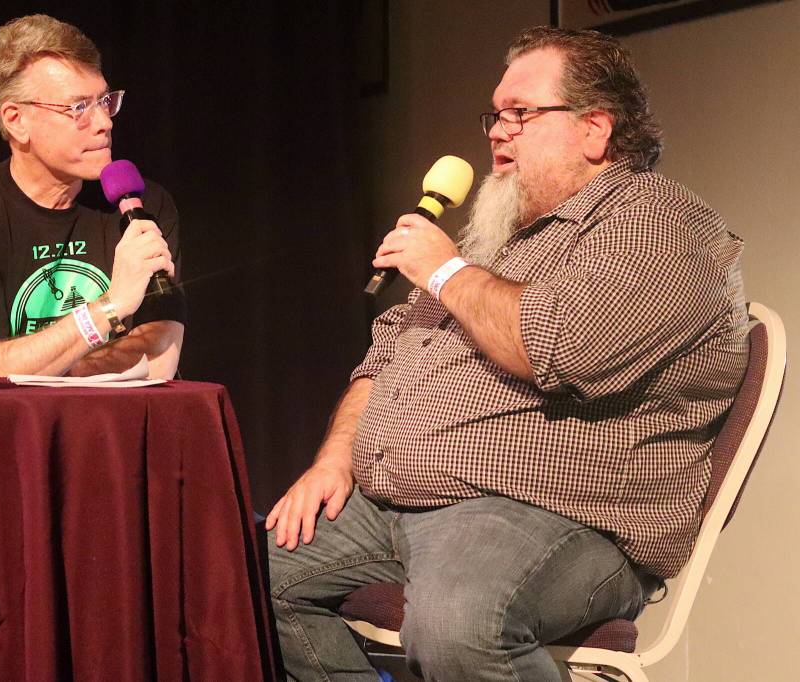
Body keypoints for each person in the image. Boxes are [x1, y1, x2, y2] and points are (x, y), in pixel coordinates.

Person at [265, 26, 748, 681]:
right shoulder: (502, 237)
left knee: (461, 625)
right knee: (240, 575)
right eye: (496, 114)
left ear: (595, 130)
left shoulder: (657, 226)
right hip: (400, 505)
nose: (497, 130)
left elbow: (561, 347)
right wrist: (333, 458)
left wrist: (444, 271)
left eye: (521, 114)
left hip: (553, 516)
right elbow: (385, 353)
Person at [0, 14, 186, 379]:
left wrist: (38, 361)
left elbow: (157, 357)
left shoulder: (143, 204)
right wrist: (109, 307)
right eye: (78, 108)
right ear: (16, 121)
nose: (104, 122)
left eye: (104, 100)